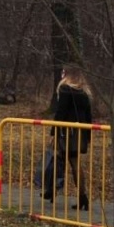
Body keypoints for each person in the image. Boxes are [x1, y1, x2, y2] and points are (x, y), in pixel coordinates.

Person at [46, 65, 93, 210]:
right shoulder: (84, 92)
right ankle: (82, 196)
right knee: (74, 162)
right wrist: (88, 135)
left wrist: (54, 132)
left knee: (58, 159)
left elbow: (60, 112)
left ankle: (52, 190)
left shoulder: (65, 89)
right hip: (80, 131)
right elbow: (88, 115)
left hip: (66, 131)